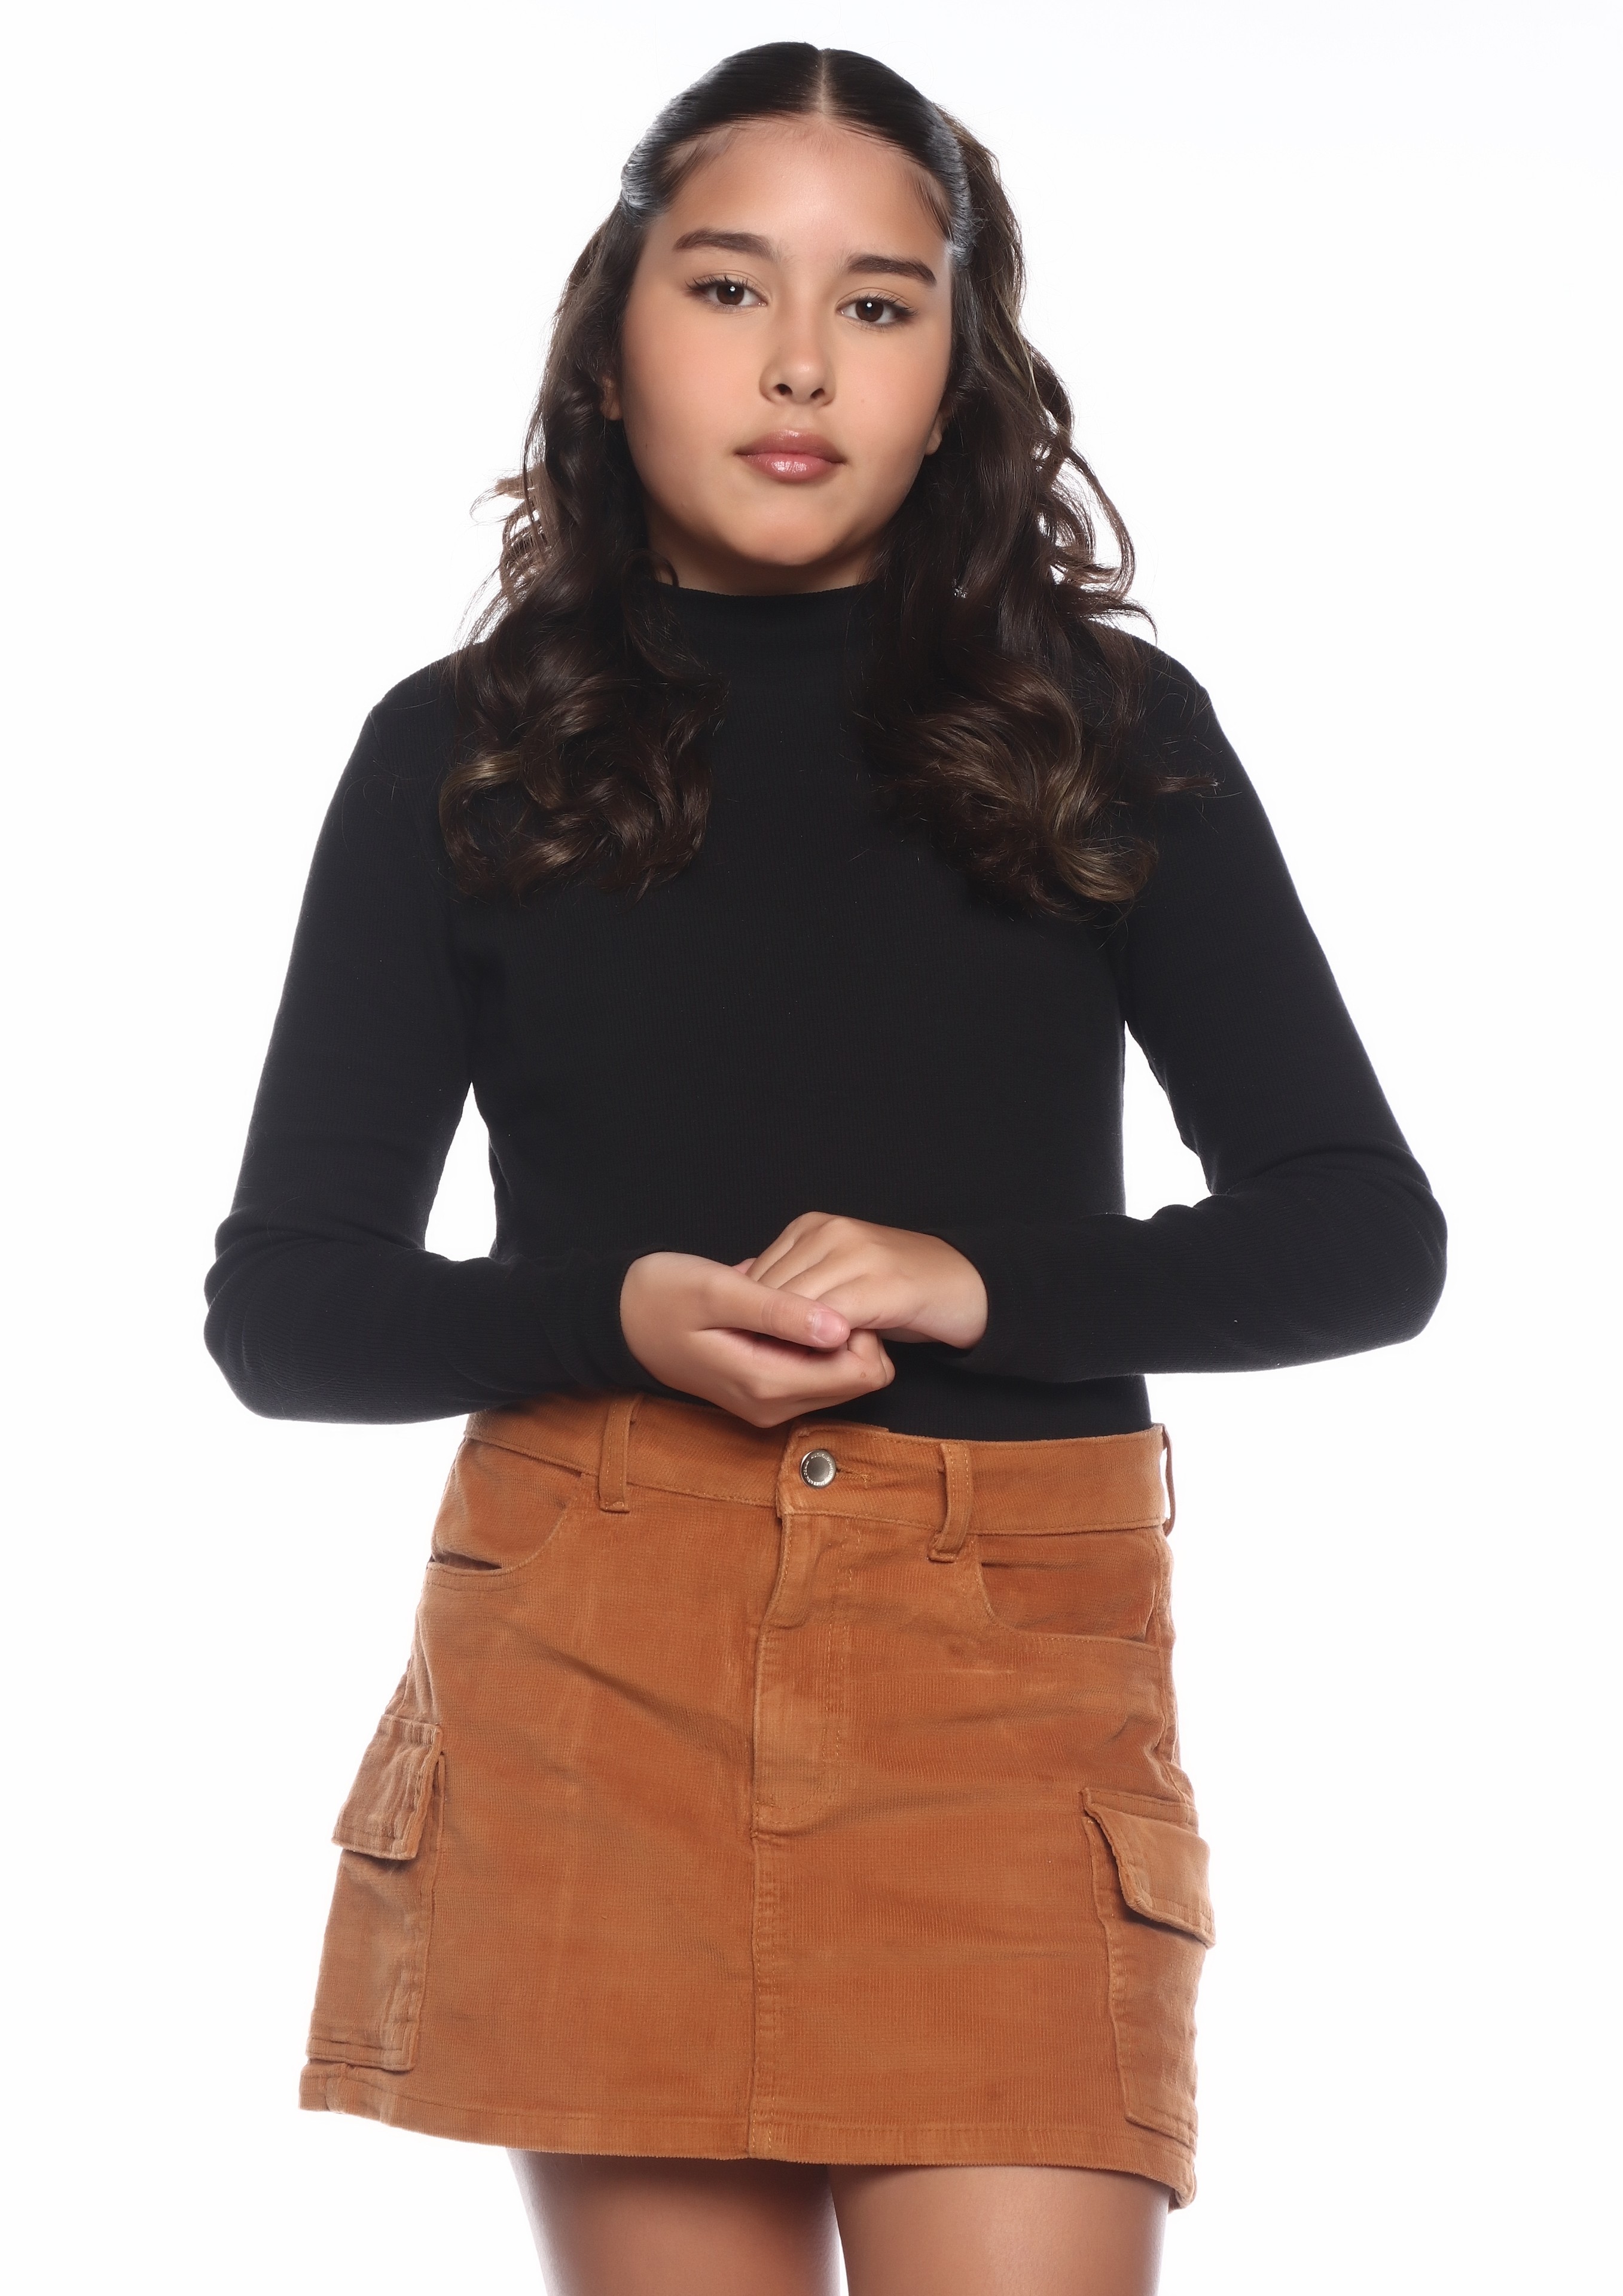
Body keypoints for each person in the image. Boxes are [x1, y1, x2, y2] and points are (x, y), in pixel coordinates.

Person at [203, 41, 1445, 2296]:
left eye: (878, 302)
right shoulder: (459, 751)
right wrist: (609, 1314)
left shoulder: (1102, 727)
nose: (799, 362)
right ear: (608, 348)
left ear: (957, 371)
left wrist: (977, 1280)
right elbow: (285, 1310)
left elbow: (1363, 1236)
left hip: (1001, 1676)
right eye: (726, 288)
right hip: (600, 1648)